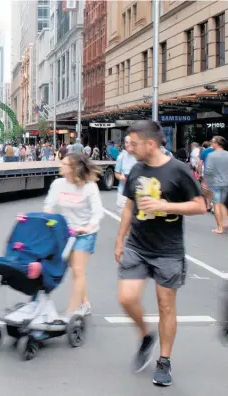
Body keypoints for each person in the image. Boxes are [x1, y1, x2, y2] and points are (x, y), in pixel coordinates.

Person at [114, 120, 206, 386]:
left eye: (134, 143)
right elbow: (129, 208)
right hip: (137, 246)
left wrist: (166, 206)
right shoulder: (136, 170)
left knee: (165, 305)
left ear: (150, 144)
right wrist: (120, 240)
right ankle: (146, 335)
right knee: (126, 297)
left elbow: (201, 206)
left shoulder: (178, 170)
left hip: (168, 250)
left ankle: (164, 361)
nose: (129, 148)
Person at [44, 153, 104, 318]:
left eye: (64, 163)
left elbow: (97, 212)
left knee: (78, 269)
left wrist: (88, 227)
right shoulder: (57, 184)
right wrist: (47, 219)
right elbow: (49, 205)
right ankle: (85, 303)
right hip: (65, 232)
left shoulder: (89, 186)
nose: (60, 165)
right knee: (76, 271)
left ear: (73, 169)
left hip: (85, 233)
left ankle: (71, 311)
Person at [204, 136, 228, 234]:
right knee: (222, 202)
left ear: (217, 143)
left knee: (217, 204)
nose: (211, 143)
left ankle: (219, 227)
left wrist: (207, 183)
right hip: (226, 182)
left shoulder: (211, 155)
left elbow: (208, 171)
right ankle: (225, 222)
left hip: (215, 183)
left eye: (212, 142)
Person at [114, 136, 137, 214]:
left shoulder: (140, 157)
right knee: (123, 217)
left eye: (130, 142)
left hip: (136, 193)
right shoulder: (121, 157)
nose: (128, 144)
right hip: (123, 192)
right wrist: (121, 177)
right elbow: (117, 173)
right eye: (126, 142)